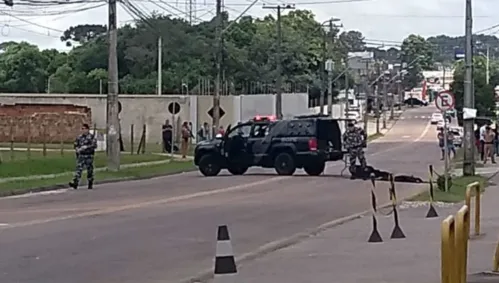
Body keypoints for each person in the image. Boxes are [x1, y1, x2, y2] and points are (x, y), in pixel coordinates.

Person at [69, 123, 97, 190]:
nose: (83, 130)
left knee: (89, 170)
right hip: (81, 155)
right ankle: (75, 182)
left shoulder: (91, 137)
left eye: (84, 129)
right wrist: (77, 149)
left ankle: (90, 182)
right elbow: (75, 144)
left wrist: (86, 147)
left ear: (87, 129)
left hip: (89, 155)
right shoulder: (79, 137)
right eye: (82, 129)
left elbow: (94, 145)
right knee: (79, 169)